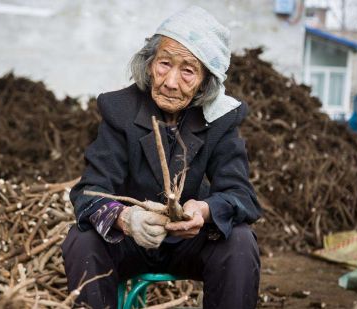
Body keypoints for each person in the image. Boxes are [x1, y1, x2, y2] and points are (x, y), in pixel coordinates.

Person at [61, 6, 262, 309]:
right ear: (149, 63)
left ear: (205, 81)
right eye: (164, 64)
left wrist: (204, 211)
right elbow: (89, 192)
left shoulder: (220, 118)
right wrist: (125, 218)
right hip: (129, 241)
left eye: (188, 71)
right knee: (81, 238)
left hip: (189, 242)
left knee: (241, 242)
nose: (170, 81)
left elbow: (241, 195)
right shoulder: (120, 110)